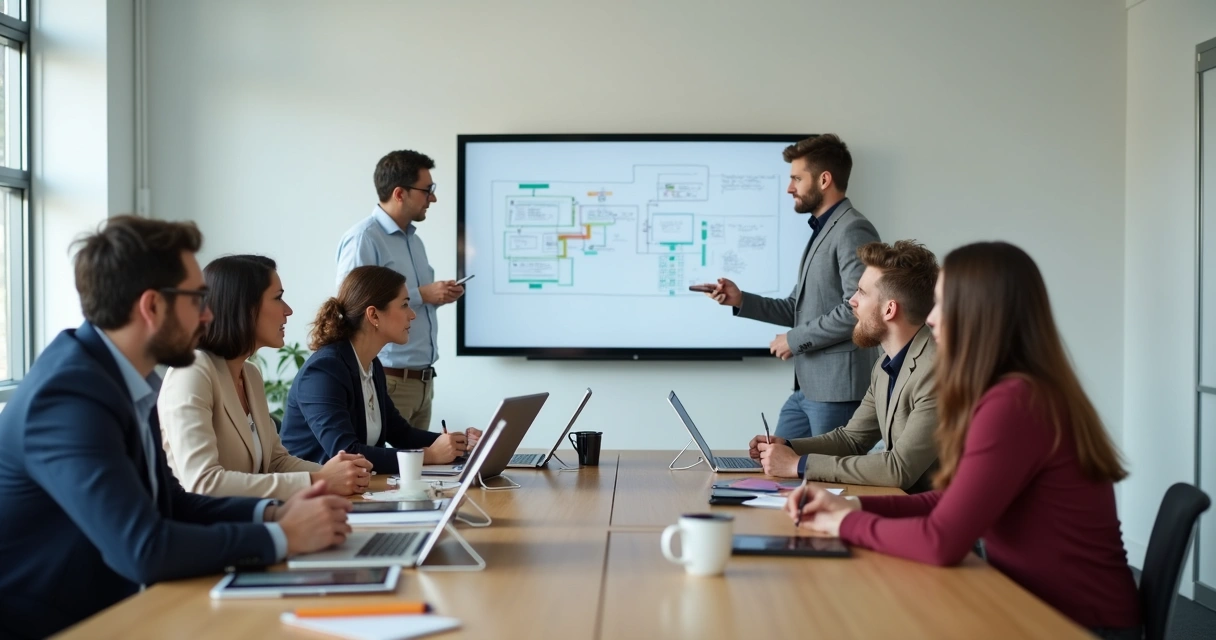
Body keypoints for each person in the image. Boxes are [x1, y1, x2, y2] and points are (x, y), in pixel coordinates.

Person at [0, 217, 351, 639]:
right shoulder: (69, 398)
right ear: (151, 306)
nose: (207, 315)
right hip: (60, 624)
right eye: (196, 299)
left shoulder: (125, 379)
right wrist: (281, 536)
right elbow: (143, 549)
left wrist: (276, 511)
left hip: (121, 608)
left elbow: (172, 502)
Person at [785, 242, 1141, 637]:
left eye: (942, 304)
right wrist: (849, 504)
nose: (932, 320)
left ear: (979, 314)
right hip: (1037, 604)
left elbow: (941, 541)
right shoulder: (1020, 390)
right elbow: (950, 502)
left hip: (1075, 623)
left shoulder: (1015, 403)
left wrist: (846, 522)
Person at [699, 134, 880, 439]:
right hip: (807, 389)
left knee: (826, 480)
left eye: (797, 178)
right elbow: (797, 307)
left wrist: (794, 340)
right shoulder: (823, 230)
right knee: (776, 468)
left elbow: (859, 309)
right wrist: (740, 299)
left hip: (838, 393)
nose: (789, 187)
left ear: (824, 180)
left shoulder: (852, 229)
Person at [159, 255, 374, 501]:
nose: (288, 310)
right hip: (205, 533)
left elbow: (275, 461)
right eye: (278, 297)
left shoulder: (250, 374)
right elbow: (203, 483)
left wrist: (341, 474)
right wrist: (320, 479)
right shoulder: (192, 371)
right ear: (244, 307)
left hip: (249, 523)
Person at [750, 240, 940, 492]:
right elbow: (852, 439)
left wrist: (799, 465)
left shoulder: (937, 371)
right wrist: (788, 447)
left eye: (861, 292)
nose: (851, 300)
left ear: (889, 309)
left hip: (936, 518)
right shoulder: (885, 363)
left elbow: (899, 469)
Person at [280, 265, 478, 472]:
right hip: (311, 494)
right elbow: (347, 452)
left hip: (358, 489)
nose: (412, 315)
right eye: (404, 305)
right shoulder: (324, 370)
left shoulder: (371, 363)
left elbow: (401, 434)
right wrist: (429, 455)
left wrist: (460, 444)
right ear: (374, 315)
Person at [335, 149, 464, 431]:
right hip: (389, 379)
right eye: (427, 190)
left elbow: (401, 304)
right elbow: (352, 306)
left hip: (423, 382)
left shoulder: (414, 242)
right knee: (385, 472)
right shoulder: (363, 240)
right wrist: (423, 294)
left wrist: (437, 297)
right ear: (399, 193)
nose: (433, 198)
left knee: (421, 470)